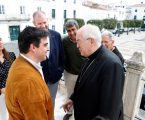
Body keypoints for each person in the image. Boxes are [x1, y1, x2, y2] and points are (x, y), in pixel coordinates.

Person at [62, 24, 125, 120]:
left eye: (79, 41)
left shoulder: (112, 65)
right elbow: (82, 82)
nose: (77, 45)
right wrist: (72, 98)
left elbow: (108, 114)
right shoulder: (89, 56)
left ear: (91, 41)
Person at [5, 26, 53, 120]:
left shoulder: (19, 63)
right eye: (45, 45)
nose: (47, 49)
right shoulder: (29, 81)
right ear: (33, 47)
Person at [33, 11, 64, 107]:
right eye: (39, 23)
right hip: (37, 80)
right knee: (39, 104)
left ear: (48, 21)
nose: (43, 25)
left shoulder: (56, 35)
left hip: (54, 78)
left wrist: (59, 72)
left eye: (44, 22)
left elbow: (61, 56)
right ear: (34, 24)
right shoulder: (30, 38)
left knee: (51, 103)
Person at [62, 19, 86, 120]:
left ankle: (81, 114)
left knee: (83, 96)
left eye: (73, 29)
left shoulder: (85, 39)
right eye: (68, 31)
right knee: (70, 93)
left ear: (78, 28)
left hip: (84, 74)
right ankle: (70, 112)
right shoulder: (64, 41)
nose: (71, 32)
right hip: (70, 73)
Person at [0, 37, 16, 120]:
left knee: (15, 114)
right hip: (1, 94)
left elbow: (17, 73)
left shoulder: (11, 55)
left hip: (14, 91)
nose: (0, 43)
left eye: (0, 40)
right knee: (3, 116)